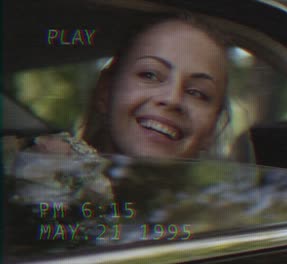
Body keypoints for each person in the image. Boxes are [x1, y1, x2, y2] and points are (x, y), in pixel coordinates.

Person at [7, 13, 230, 160]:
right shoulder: (31, 171)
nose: (172, 98)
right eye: (150, 74)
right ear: (105, 92)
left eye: (197, 93)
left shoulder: (230, 221)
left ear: (212, 128)